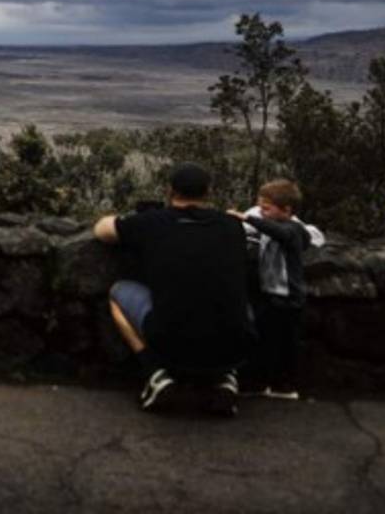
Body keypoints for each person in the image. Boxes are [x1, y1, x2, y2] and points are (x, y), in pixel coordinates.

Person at [94, 163, 252, 415]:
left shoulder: (152, 223)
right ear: (208, 192)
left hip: (170, 341)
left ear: (170, 191)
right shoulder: (232, 227)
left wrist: (120, 218)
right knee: (233, 300)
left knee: (118, 292)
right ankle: (225, 377)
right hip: (235, 344)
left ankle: (155, 372)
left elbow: (101, 230)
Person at [229, 179, 324, 400]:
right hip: (271, 294)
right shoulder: (272, 225)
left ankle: (285, 386)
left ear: (287, 210)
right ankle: (260, 382)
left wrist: (247, 217)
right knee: (265, 340)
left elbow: (282, 234)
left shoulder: (294, 230)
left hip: (289, 298)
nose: (261, 213)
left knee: (286, 345)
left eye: (266, 209)